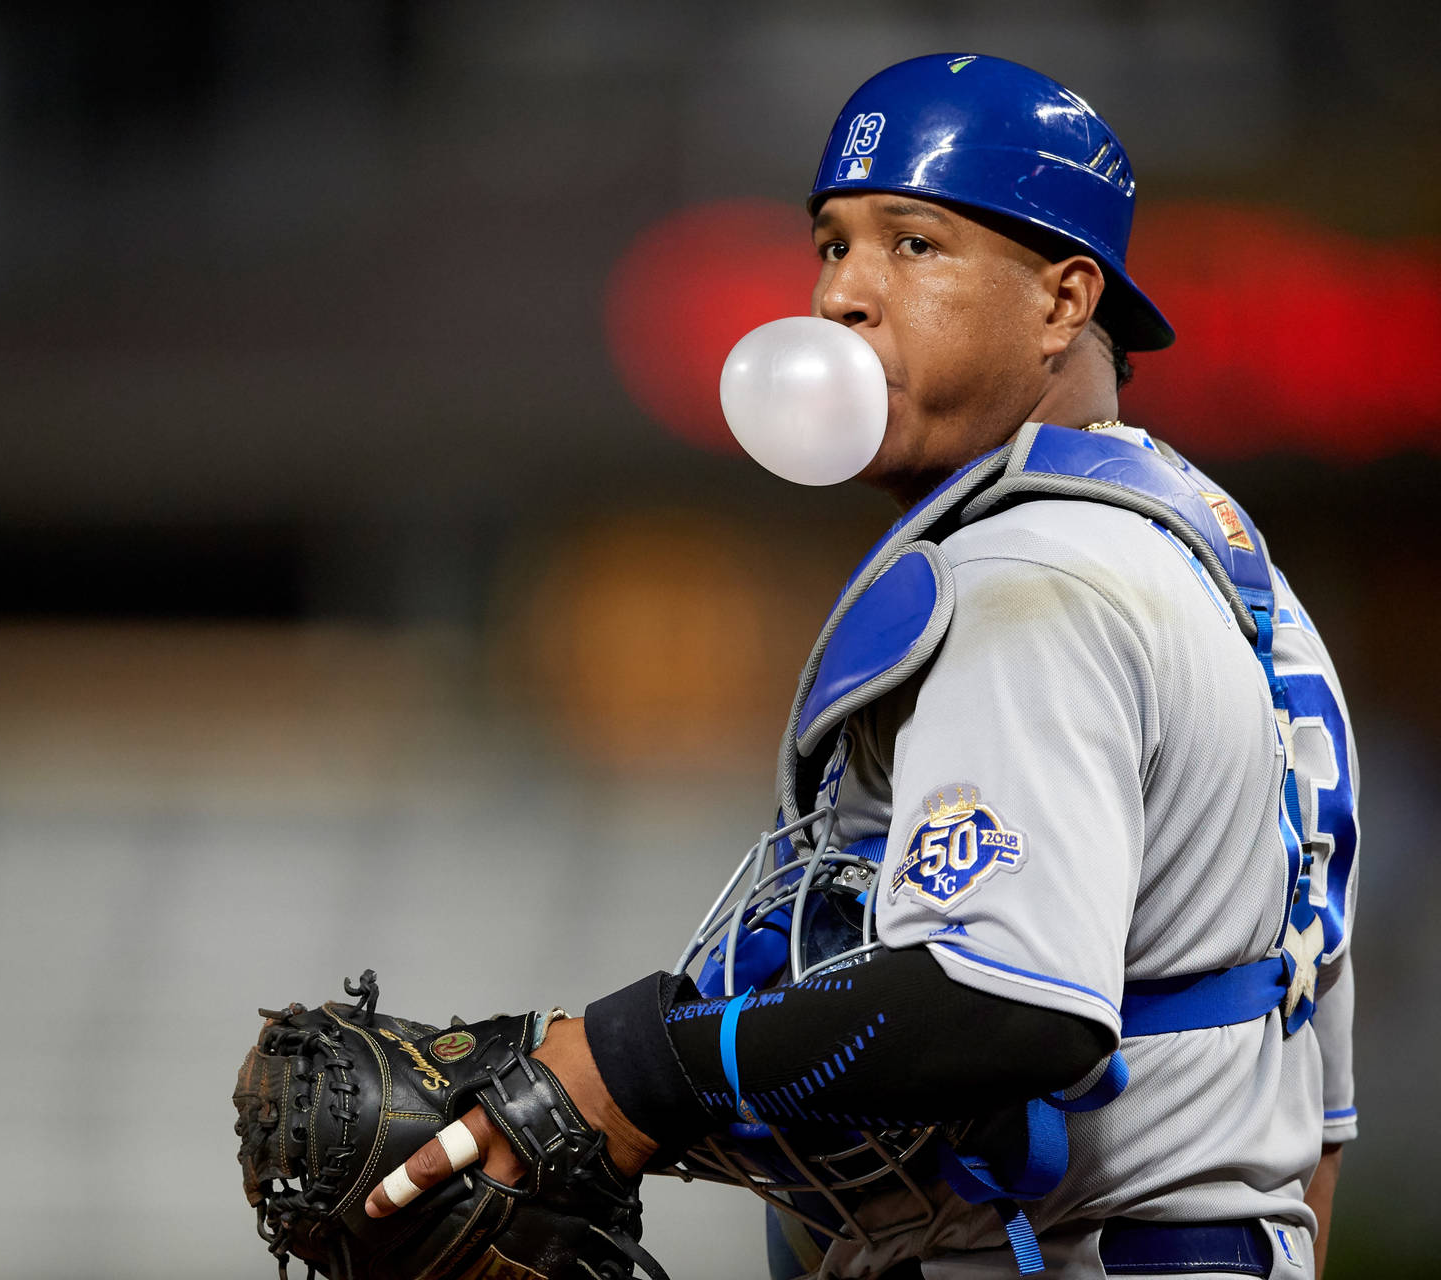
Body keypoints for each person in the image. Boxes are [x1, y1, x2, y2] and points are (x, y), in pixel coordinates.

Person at [365, 54, 1358, 1279]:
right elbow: (1316, 1116)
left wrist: (631, 1068)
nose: (844, 295)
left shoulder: (1031, 578)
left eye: (915, 244)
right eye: (833, 244)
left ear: (1062, 300)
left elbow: (1007, 1003)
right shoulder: (1230, 573)